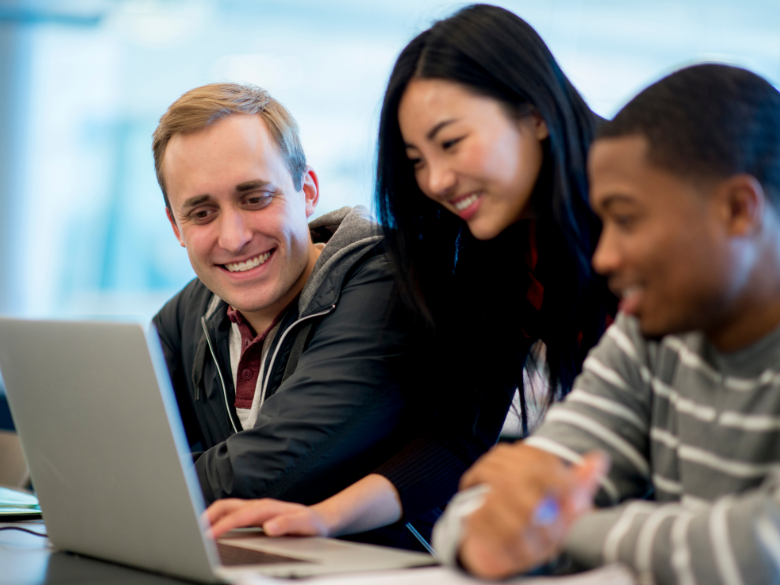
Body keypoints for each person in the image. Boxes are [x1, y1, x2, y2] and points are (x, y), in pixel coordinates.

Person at [205, 4, 614, 543]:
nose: (436, 180)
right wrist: (323, 517)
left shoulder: (636, 218)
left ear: (535, 113)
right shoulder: (500, 251)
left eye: (451, 143)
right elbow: (457, 437)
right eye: (417, 159)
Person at [437, 63, 780, 584]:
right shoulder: (652, 337)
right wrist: (497, 526)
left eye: (627, 219)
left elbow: (759, 552)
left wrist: (555, 527)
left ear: (737, 209)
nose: (604, 258)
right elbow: (483, 511)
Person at [151, 83, 429, 522]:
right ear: (176, 226)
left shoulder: (385, 280)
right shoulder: (193, 309)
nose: (235, 238)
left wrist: (107, 485)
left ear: (309, 191)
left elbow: (271, 470)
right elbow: (104, 442)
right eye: (202, 213)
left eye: (255, 198)